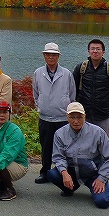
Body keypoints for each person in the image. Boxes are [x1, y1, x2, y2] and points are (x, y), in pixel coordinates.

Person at [47, 102, 109, 209]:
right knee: (52, 174)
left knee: (103, 202)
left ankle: (96, 186)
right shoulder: (59, 134)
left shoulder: (97, 132)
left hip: (93, 174)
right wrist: (64, 173)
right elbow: (58, 157)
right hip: (72, 172)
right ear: (67, 117)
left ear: (85, 116)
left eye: (79, 117)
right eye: (72, 117)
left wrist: (102, 178)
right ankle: (69, 188)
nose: (76, 121)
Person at [32, 42, 76, 184]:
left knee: (64, 147)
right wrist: (41, 106)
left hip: (62, 117)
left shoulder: (67, 74)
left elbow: (72, 94)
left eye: (54, 55)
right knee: (46, 146)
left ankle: (62, 173)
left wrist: (66, 108)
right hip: (45, 117)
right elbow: (36, 94)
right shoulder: (38, 73)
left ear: (58, 57)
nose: (51, 57)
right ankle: (44, 172)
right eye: (48, 54)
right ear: (44, 56)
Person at [73, 39, 109, 135]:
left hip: (103, 116)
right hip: (84, 114)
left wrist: (108, 106)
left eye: (98, 49)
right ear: (89, 51)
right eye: (92, 49)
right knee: (83, 142)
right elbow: (73, 88)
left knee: (102, 142)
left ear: (103, 52)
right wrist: (79, 103)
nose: (95, 51)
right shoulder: (81, 67)